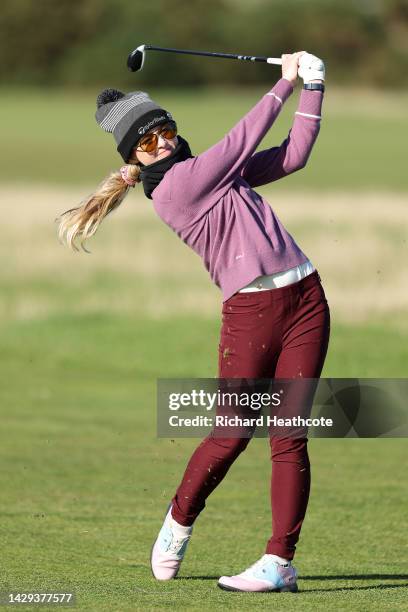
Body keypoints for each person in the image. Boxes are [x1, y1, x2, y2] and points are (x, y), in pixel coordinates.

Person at [58, 51, 330, 593]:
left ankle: (279, 560)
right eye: (146, 141)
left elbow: (294, 156)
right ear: (134, 155)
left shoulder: (210, 169)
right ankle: (178, 522)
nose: (160, 142)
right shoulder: (175, 190)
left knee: (290, 436)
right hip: (251, 313)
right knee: (232, 434)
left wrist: (316, 86)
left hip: (306, 299)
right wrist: (284, 84)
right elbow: (241, 141)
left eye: (163, 130)